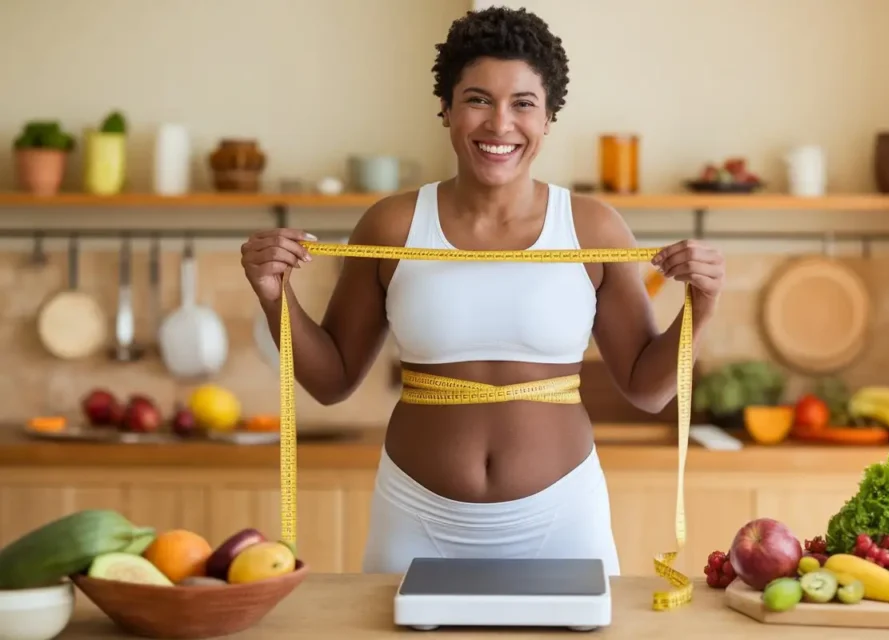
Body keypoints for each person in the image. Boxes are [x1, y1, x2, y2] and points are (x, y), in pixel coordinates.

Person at [240, 6, 725, 576]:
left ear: (548, 119)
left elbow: (647, 389)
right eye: (477, 99)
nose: (500, 124)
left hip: (562, 520)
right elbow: (332, 380)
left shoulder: (593, 229)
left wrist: (703, 304)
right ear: (445, 110)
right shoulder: (392, 226)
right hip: (414, 516)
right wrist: (275, 297)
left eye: (523, 103)